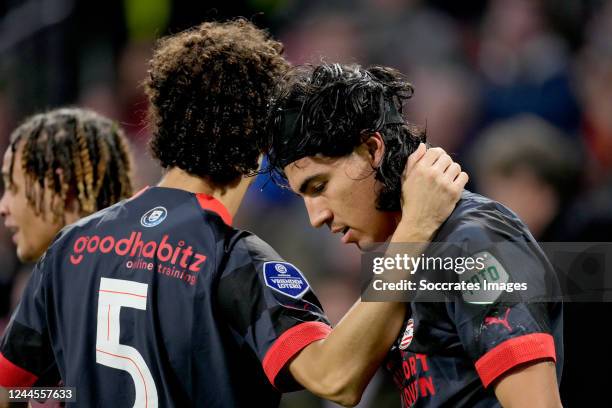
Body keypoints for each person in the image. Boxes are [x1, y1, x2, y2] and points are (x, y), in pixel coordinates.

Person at [0, 21, 465, 407]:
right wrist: (416, 230)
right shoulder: (235, 262)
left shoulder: (72, 246)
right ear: (261, 139)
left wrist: (73, 393)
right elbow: (335, 377)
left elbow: (10, 390)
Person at [265, 63, 563, 407]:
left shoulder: (475, 240)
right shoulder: (407, 253)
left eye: (320, 186)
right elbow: (337, 379)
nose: (316, 217)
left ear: (372, 149)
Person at [0, 107, 133, 263]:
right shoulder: (135, 265)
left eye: (13, 187)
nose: (2, 207)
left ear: (57, 185)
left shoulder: (89, 280)